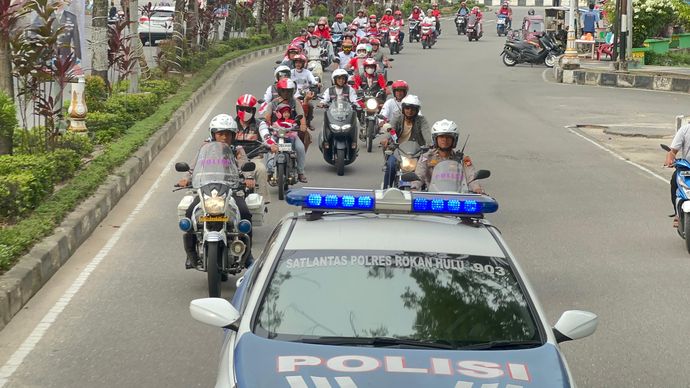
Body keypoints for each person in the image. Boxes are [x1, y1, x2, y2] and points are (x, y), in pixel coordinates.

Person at [178, 114, 254, 269]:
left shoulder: (237, 150)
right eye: (220, 133)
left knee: (245, 213)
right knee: (190, 213)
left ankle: (248, 254)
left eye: (227, 134)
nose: (224, 137)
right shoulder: (205, 148)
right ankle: (190, 254)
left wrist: (248, 177)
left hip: (230, 190)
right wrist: (186, 178)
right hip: (207, 189)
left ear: (233, 135)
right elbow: (193, 167)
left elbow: (244, 164)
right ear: (213, 134)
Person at [412, 119, 483, 193]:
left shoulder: (464, 159)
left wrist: (477, 189)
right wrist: (414, 187)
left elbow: (471, 176)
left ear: (454, 140)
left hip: (459, 196)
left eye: (448, 137)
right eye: (441, 137)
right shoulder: (426, 157)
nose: (445, 140)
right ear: (435, 139)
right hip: (432, 196)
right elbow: (419, 175)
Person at [379, 95, 431, 189]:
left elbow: (426, 132)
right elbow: (391, 129)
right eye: (407, 108)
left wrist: (431, 144)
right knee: (390, 166)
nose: (409, 111)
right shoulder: (397, 117)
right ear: (403, 108)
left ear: (417, 110)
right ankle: (386, 190)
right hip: (398, 150)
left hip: (417, 152)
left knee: (427, 168)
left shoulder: (422, 120)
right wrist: (386, 138)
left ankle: (428, 190)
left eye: (413, 109)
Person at [262, 78, 309, 183]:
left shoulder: (295, 102)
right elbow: (267, 116)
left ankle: (300, 172)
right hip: (276, 132)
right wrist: (267, 124)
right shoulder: (273, 103)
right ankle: (269, 171)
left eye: (288, 91)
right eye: (284, 90)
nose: (286, 93)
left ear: (292, 91)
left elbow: (301, 115)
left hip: (290, 133)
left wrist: (303, 124)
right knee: (268, 148)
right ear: (279, 91)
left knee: (300, 148)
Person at [234, 94, 271, 203]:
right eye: (242, 109)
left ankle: (261, 202)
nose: (245, 112)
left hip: (254, 158)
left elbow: (267, 136)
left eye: (248, 110)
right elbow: (216, 136)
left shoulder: (260, 124)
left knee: (261, 169)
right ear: (237, 109)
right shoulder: (230, 123)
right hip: (233, 159)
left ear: (254, 111)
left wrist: (272, 144)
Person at [664, 124, 690, 227]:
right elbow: (672, 151)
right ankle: (677, 213)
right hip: (687, 169)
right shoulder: (685, 130)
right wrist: (669, 160)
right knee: (675, 179)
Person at [290, 54, 318, 134]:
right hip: (293, 95)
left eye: (300, 62)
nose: (298, 64)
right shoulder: (291, 72)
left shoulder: (307, 72)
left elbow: (313, 80)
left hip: (305, 94)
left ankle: (308, 122)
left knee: (310, 106)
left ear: (303, 63)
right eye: (296, 62)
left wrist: (316, 83)